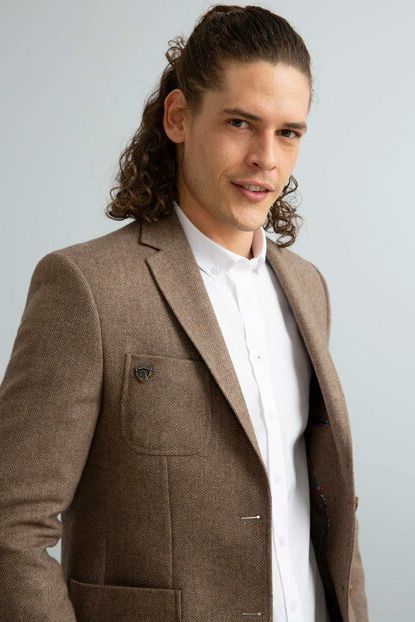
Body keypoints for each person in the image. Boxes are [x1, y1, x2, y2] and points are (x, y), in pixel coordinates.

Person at [0, 5, 369, 621]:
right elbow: (10, 524)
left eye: (288, 133)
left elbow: (325, 505)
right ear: (178, 117)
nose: (266, 158)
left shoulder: (308, 289)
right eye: (240, 123)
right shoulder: (88, 287)